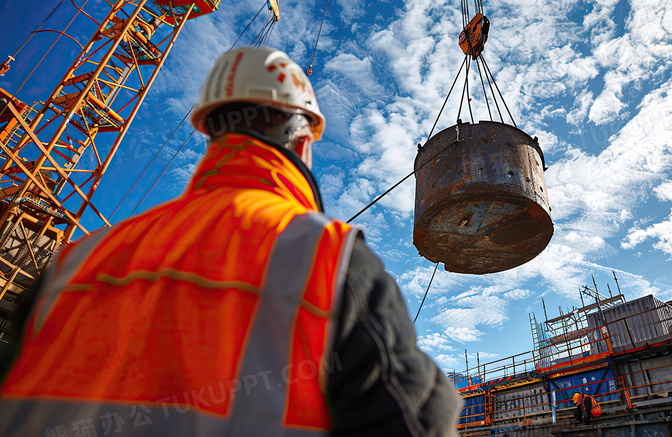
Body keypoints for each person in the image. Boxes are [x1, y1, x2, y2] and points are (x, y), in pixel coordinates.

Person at [0, 47, 461, 436]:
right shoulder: (327, 259)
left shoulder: (71, 264)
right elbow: (417, 420)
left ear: (211, 136)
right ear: (302, 140)